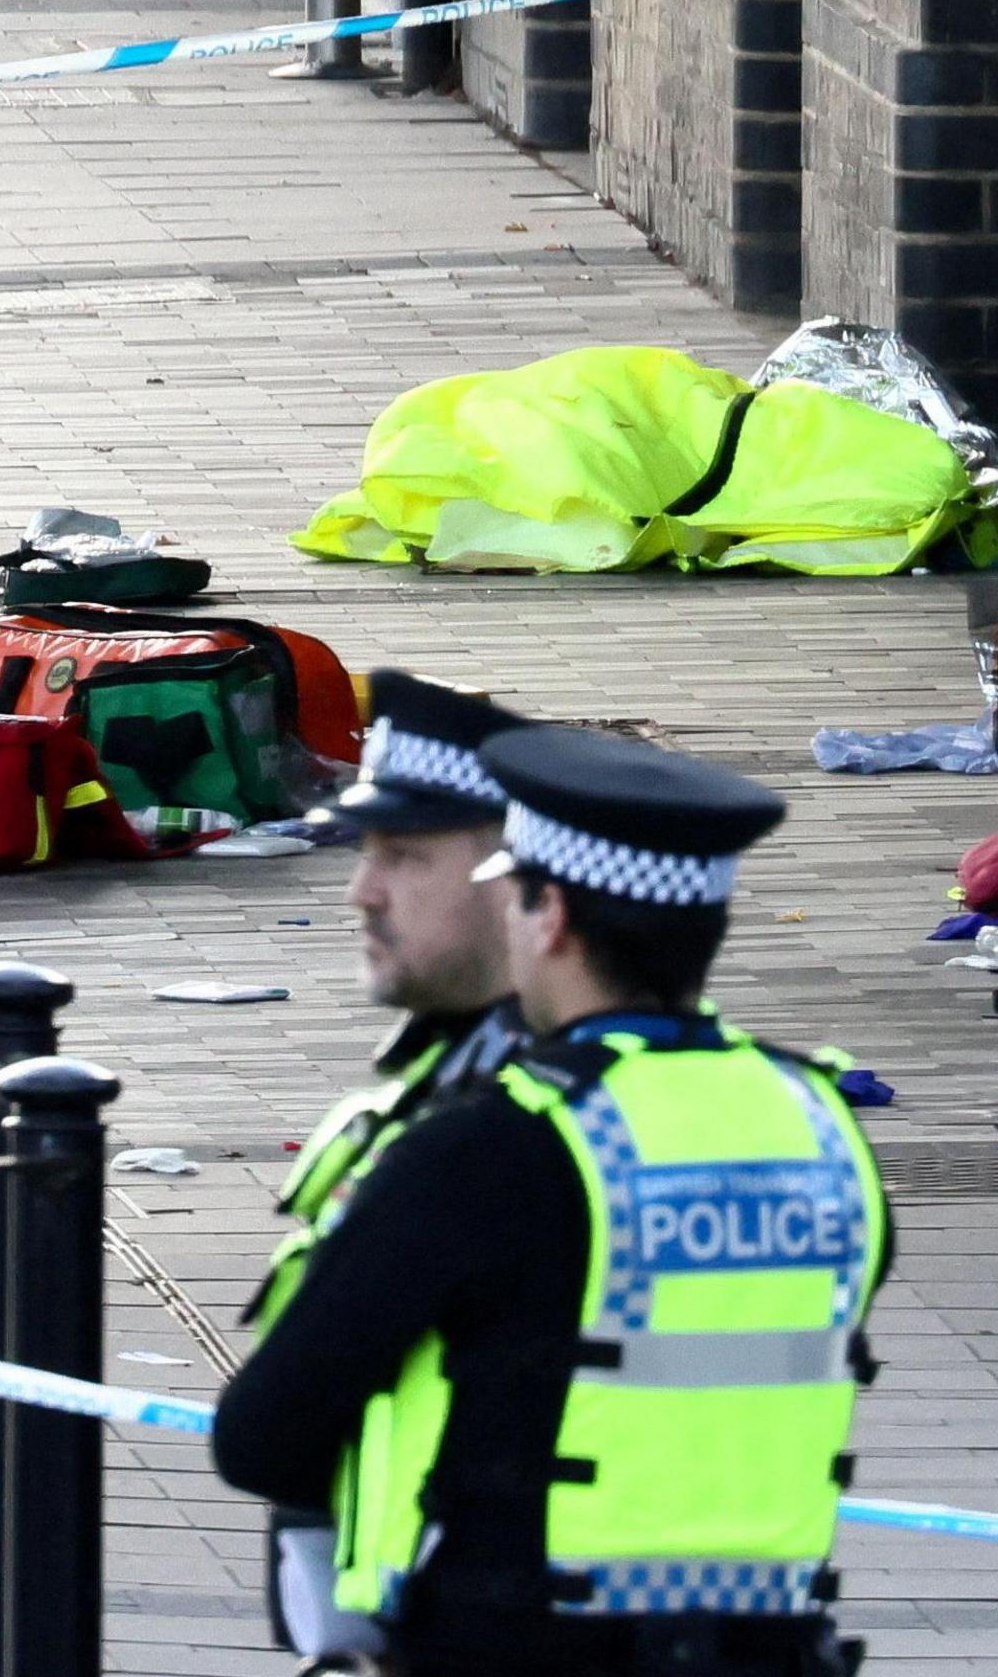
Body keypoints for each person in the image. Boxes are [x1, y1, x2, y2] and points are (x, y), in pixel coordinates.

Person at [211, 724, 892, 1677]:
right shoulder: (819, 1127)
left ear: (552, 917)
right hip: (769, 1648)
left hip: (514, 1643)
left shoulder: (487, 1148)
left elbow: (263, 1439)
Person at [247, 673, 531, 1661]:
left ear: (517, 879)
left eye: (404, 857)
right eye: (366, 853)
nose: (363, 891)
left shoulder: (513, 1122)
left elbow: (267, 1427)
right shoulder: (439, 1078)